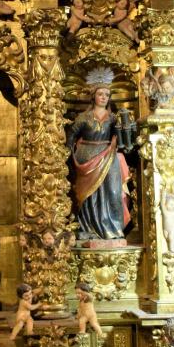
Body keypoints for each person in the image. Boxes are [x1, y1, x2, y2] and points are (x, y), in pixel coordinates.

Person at [65, 72, 131, 242]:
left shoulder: (113, 118)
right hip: (87, 157)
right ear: (93, 96)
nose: (103, 97)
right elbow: (71, 134)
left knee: (113, 192)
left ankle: (114, 229)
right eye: (100, 94)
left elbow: (122, 138)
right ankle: (88, 228)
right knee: (89, 196)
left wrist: (126, 129)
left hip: (108, 156)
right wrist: (69, 153)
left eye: (107, 95)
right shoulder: (84, 117)